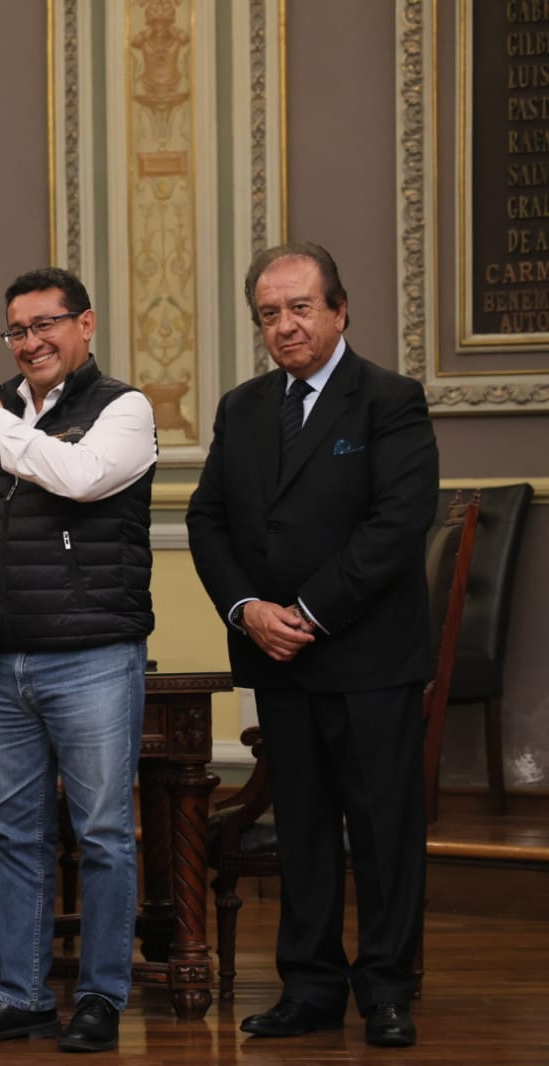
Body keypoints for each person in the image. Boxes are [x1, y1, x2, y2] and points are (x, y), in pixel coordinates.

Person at [186, 242, 438, 1049]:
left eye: (299, 308)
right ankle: (310, 988)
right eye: (268, 314)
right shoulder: (243, 406)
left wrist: (305, 612)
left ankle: (388, 991)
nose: (284, 326)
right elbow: (207, 521)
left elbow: (396, 526)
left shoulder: (389, 401)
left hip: (366, 657)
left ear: (338, 309)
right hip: (276, 657)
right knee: (300, 828)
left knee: (382, 831)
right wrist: (246, 609)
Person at [0, 267, 156, 1054]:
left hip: (94, 657)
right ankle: (20, 993)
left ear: (85, 325)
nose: (30, 343)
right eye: (17, 331)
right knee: (11, 832)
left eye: (45, 325)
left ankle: (99, 995)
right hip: (5, 663)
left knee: (100, 834)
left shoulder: (123, 409)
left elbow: (82, 478)